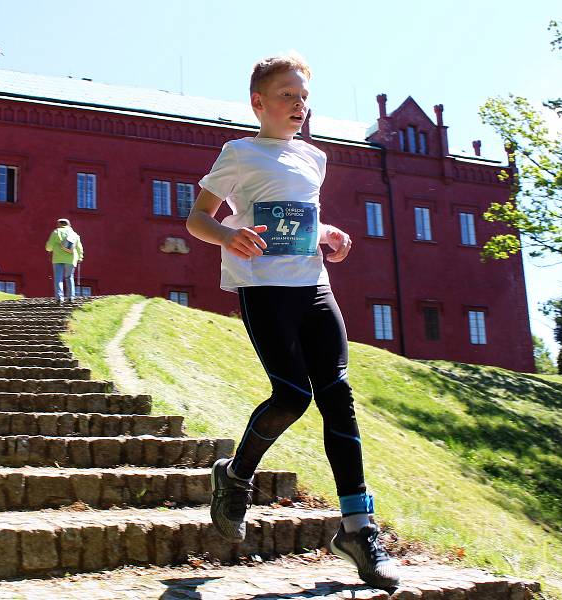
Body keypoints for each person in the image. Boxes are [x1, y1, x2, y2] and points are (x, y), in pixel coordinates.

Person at [185, 53, 400, 589]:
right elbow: (197, 218)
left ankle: (357, 527)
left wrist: (328, 234)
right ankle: (235, 477)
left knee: (338, 397)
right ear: (259, 102)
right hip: (264, 290)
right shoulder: (238, 153)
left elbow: (301, 213)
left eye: (304, 97)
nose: (299, 105)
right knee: (290, 396)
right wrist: (226, 235)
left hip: (315, 287)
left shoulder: (314, 159)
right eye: (287, 95)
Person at [45, 218, 84, 303]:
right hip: (71, 259)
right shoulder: (74, 234)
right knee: (69, 277)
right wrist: (80, 257)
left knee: (58, 278)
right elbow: (79, 247)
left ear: (60, 224)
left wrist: (48, 248)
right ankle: (71, 297)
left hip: (58, 259)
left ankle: (59, 298)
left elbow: (49, 247)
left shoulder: (56, 232)